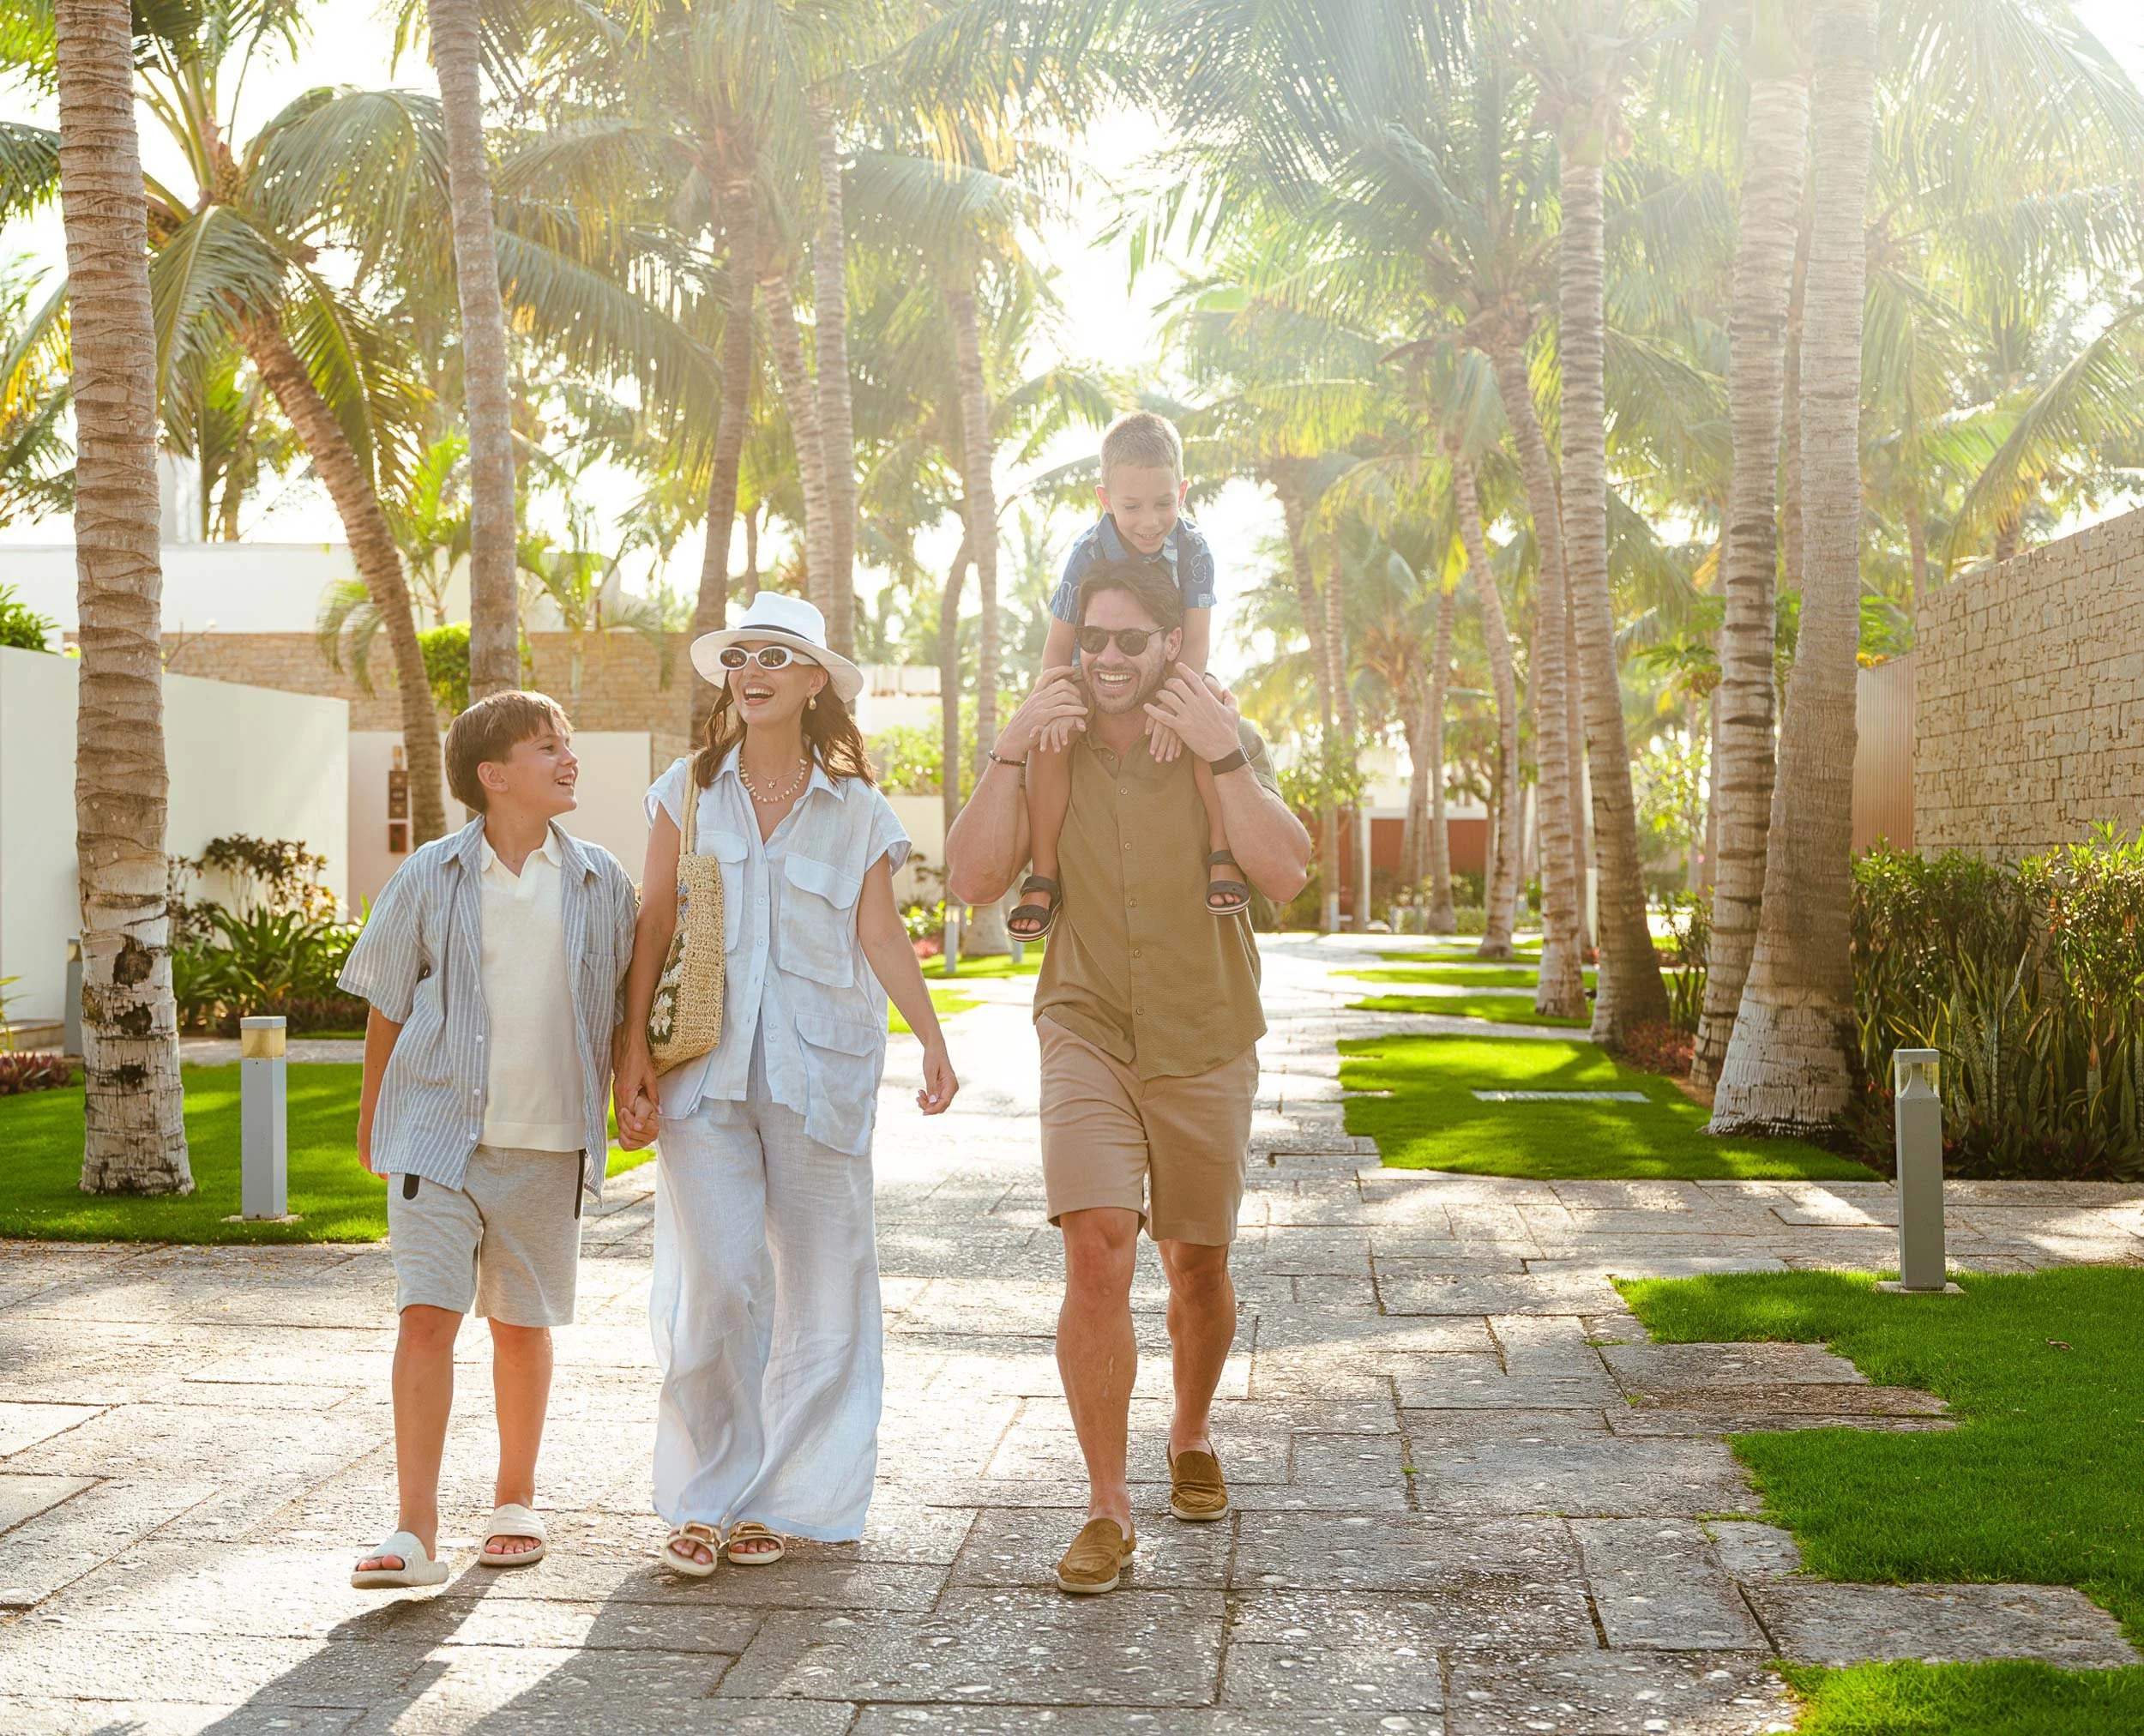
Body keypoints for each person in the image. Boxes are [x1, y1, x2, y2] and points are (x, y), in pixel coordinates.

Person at [944, 561, 1312, 1595]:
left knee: (1195, 1263)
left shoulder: (1210, 732)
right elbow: (971, 878)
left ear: (1168, 648)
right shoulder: (1047, 747)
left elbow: (1285, 872)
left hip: (1206, 1032)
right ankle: (1106, 1504)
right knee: (1098, 1252)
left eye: (1131, 641)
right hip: (1086, 1026)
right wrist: (1008, 745)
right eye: (1093, 639)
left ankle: (1189, 1429)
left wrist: (1225, 751)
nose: (1109, 658)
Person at [611, 591, 959, 1576]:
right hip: (704, 1079)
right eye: (739, 656)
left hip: (821, 1071)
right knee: (719, 1281)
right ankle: (704, 1493)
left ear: (814, 681)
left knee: (822, 1290)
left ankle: (785, 1499)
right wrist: (631, 1048)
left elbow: (879, 934)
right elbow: (654, 924)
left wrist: (931, 1036)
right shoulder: (686, 788)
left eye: (776, 655)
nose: (752, 671)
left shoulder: (858, 808)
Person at [343, 691, 639, 1589]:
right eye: (548, 746)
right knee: (426, 1314)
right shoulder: (430, 875)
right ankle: (415, 1530)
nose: (569, 758)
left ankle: (514, 1498)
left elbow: (632, 1003)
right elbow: (388, 1001)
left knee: (519, 1324)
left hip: (548, 1140)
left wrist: (636, 1082)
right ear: (493, 773)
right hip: (437, 1134)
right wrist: (372, 1121)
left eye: (570, 743)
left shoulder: (602, 882)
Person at [1009, 411, 1245, 939]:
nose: (1148, 520)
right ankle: (1043, 874)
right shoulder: (1086, 553)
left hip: (1167, 665)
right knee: (1051, 731)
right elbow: (1059, 645)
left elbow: (1197, 640)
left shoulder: (1194, 549)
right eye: (1132, 506)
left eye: (1164, 503)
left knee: (1207, 710)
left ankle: (1223, 853)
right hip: (1094, 665)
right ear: (1104, 499)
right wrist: (1055, 704)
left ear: (1182, 491)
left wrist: (1175, 706)